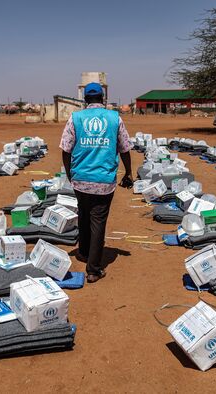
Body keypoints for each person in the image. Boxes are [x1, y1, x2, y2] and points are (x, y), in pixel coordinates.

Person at [60, 82, 133, 283]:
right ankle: (93, 269)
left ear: (85, 99)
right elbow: (125, 149)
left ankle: (83, 252)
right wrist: (128, 173)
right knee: (98, 220)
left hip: (80, 179)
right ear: (103, 98)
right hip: (104, 180)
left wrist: (69, 173)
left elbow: (65, 149)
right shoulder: (114, 118)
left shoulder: (76, 118)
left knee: (83, 214)